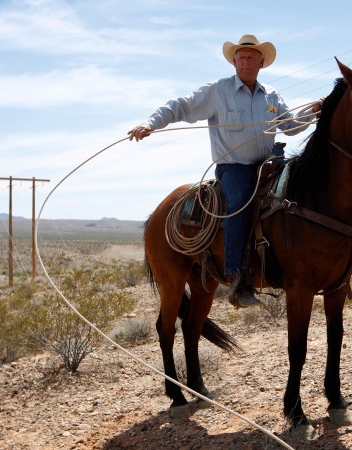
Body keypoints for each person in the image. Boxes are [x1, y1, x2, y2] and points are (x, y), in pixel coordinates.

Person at [128, 34, 320, 307]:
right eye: (241, 57)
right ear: (234, 62)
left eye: (251, 58)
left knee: (294, 197)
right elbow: (182, 105)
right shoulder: (219, 91)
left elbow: (290, 126)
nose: (246, 62)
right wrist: (151, 123)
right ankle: (237, 275)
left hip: (268, 165)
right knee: (240, 201)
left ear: (261, 63)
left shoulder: (271, 95)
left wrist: (315, 110)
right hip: (234, 168)